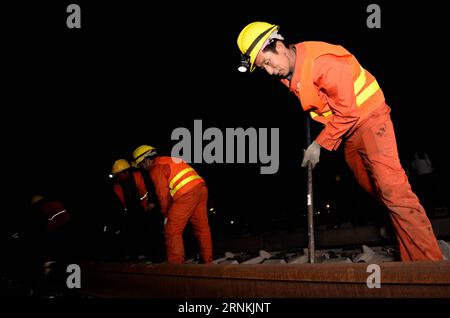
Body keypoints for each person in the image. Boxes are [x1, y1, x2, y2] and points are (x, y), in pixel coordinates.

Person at [236, 22, 442, 261]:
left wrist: (319, 144)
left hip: (370, 120)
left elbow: (348, 110)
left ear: (279, 46)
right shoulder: (291, 74)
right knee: (377, 190)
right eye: (264, 69)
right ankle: (410, 253)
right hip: (349, 133)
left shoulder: (323, 62)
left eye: (268, 63)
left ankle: (430, 265)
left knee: (393, 191)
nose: (270, 72)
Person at [132, 145, 213, 264]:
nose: (142, 168)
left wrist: (166, 215)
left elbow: (162, 194)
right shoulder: (168, 159)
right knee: (202, 229)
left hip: (186, 194)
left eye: (141, 165)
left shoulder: (156, 167)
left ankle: (176, 267)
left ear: (146, 160)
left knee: (171, 230)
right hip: (201, 189)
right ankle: (208, 261)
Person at [109, 158, 162, 261]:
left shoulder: (139, 176)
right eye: (116, 175)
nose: (118, 178)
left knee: (152, 232)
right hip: (132, 213)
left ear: (126, 172)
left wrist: (150, 202)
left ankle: (155, 257)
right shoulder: (117, 186)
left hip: (147, 208)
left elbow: (150, 189)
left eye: (119, 175)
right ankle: (139, 255)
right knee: (134, 233)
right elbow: (119, 204)